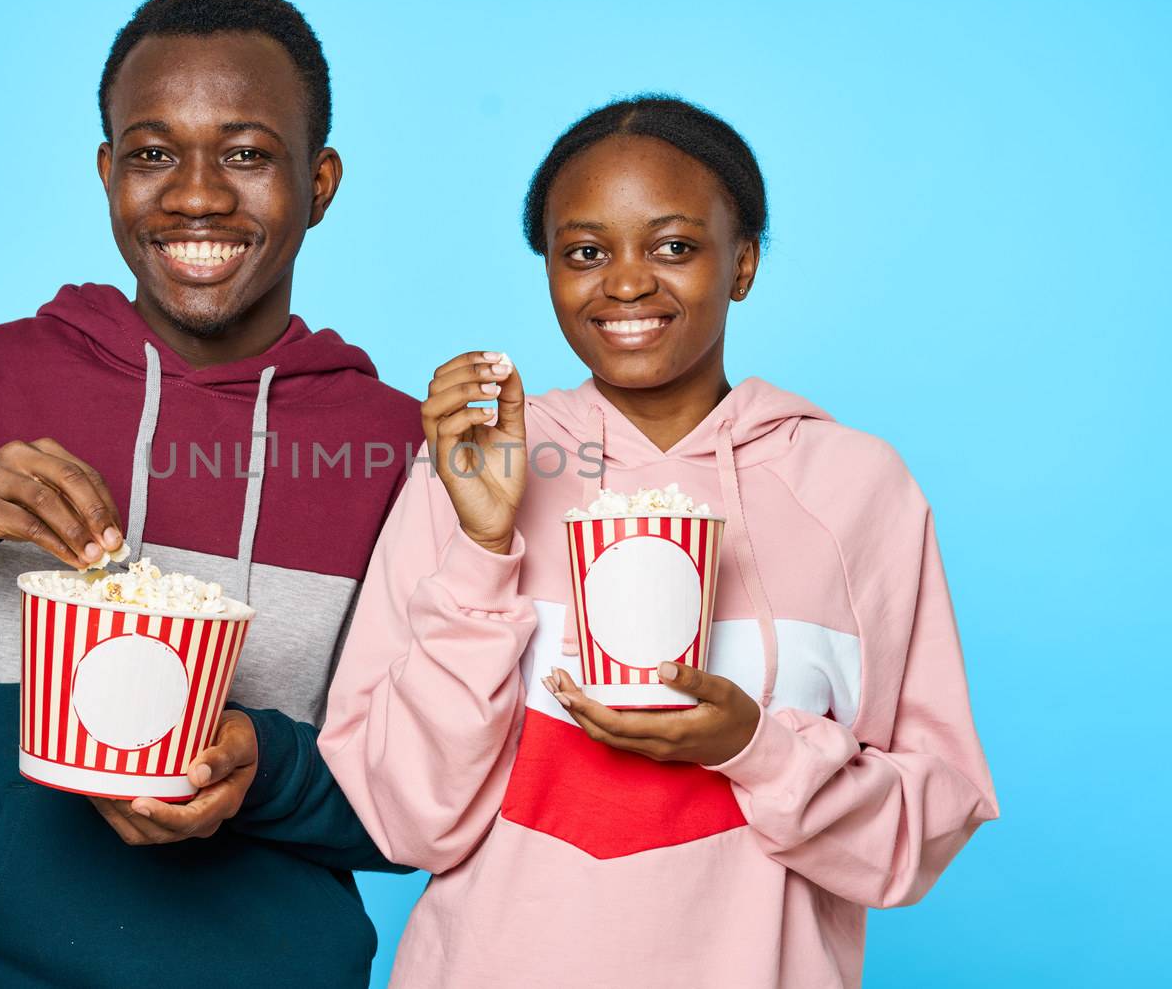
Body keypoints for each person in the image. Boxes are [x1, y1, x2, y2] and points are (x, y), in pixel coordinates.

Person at [0, 0, 420, 988]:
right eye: (153, 153)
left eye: (246, 153)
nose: (196, 192)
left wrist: (266, 770)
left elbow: (434, 798)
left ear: (319, 183)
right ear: (108, 173)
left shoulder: (397, 451)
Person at [320, 95, 998, 988]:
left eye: (673, 245)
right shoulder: (477, 465)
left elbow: (918, 838)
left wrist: (754, 748)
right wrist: (485, 546)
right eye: (585, 252)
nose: (626, 282)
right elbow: (408, 821)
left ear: (743, 261)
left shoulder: (857, 492)